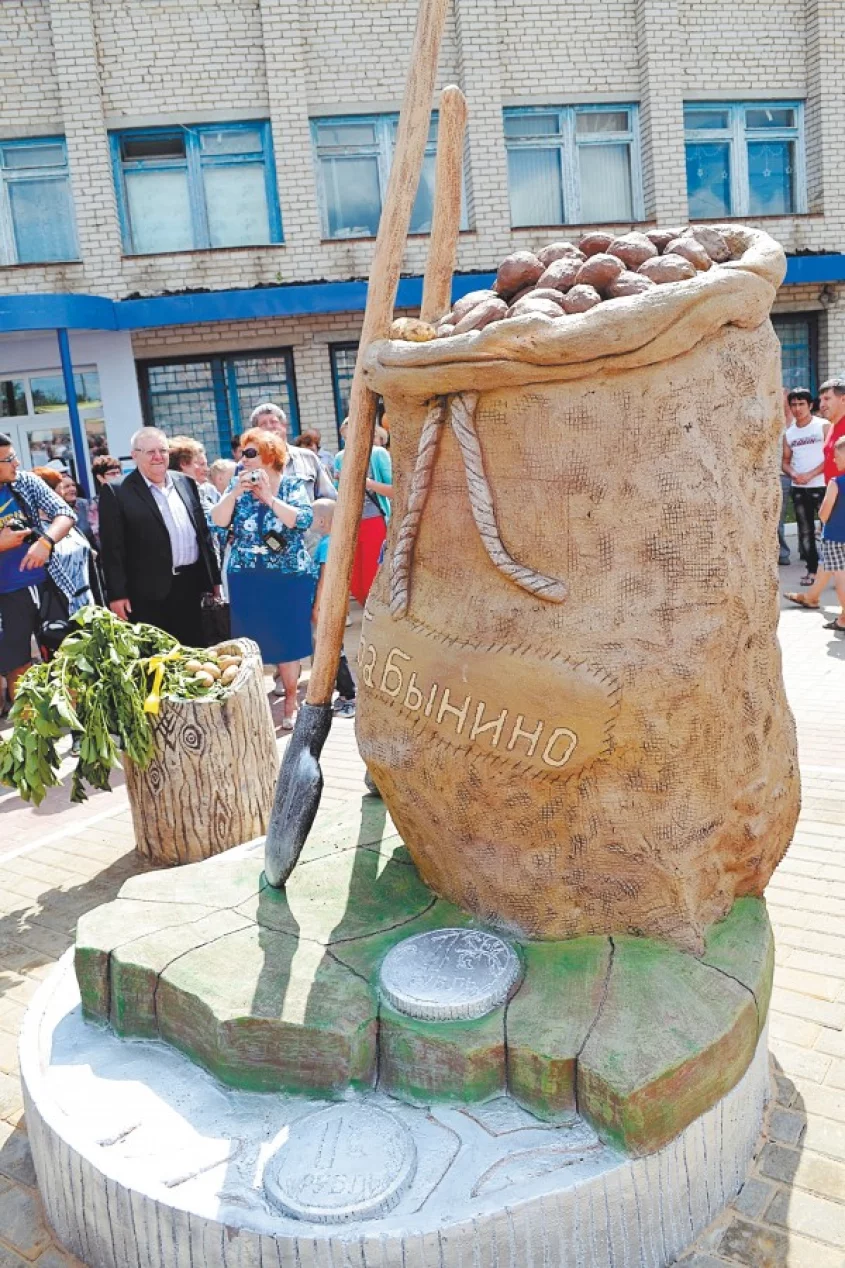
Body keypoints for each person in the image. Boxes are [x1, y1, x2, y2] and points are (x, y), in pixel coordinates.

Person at [211, 428, 314, 728]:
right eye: (242, 453)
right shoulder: (236, 485)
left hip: (286, 577)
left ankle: (291, 702)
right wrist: (234, 493)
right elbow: (217, 521)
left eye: (251, 453)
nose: (243, 459)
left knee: (287, 641)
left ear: (271, 455)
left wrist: (268, 497)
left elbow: (302, 520)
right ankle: (252, 705)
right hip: (247, 576)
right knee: (248, 643)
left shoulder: (291, 485)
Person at [98, 427, 221, 647]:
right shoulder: (117, 492)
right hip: (146, 594)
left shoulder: (185, 483)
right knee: (157, 660)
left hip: (190, 586)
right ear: (135, 455)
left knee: (195, 653)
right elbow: (112, 550)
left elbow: (202, 536)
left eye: (162, 451)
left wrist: (214, 580)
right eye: (150, 452)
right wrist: (117, 595)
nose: (158, 457)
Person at [0, 435, 75, 699]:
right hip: (7, 595)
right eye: (8, 459)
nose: (16, 463)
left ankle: (78, 730)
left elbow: (65, 513)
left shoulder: (26, 482)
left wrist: (46, 541)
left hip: (46, 584)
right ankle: (27, 732)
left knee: (65, 655)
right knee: (16, 665)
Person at [334, 420, 393, 606]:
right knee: (355, 581)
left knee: (372, 575)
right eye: (345, 438)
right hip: (350, 522)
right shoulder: (340, 458)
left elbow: (396, 490)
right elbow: (338, 495)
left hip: (374, 518)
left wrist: (367, 482)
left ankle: (377, 616)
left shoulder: (378, 454)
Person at [311, 498, 356, 717]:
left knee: (335, 651)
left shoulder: (326, 545)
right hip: (333, 604)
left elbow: (324, 579)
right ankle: (343, 693)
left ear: (321, 521)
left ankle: (349, 695)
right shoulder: (335, 541)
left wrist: (318, 607)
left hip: (327, 606)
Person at [31, 468, 100, 611]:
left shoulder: (68, 523)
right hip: (60, 612)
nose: (64, 494)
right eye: (61, 489)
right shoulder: (35, 531)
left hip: (88, 606)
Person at [783, 389, 828, 585]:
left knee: (830, 530)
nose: (797, 408)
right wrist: (794, 474)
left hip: (823, 485)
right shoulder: (790, 433)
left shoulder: (823, 426)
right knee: (805, 531)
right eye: (793, 405)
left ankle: (833, 570)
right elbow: (785, 461)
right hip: (800, 488)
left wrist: (811, 474)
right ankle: (812, 570)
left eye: (801, 404)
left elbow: (832, 457)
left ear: (810, 405)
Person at [248, 403, 337, 503]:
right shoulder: (247, 464)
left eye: (273, 422)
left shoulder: (308, 458)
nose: (269, 426)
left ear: (284, 425)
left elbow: (330, 499)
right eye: (263, 424)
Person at [813, 436, 845, 631]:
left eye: (837, 456)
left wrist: (823, 521)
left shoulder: (837, 482)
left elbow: (824, 512)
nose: (834, 460)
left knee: (841, 576)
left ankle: (844, 619)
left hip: (835, 536)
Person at [167, 435, 220, 517]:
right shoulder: (175, 494)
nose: (197, 467)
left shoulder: (202, 489)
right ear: (183, 464)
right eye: (196, 462)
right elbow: (211, 519)